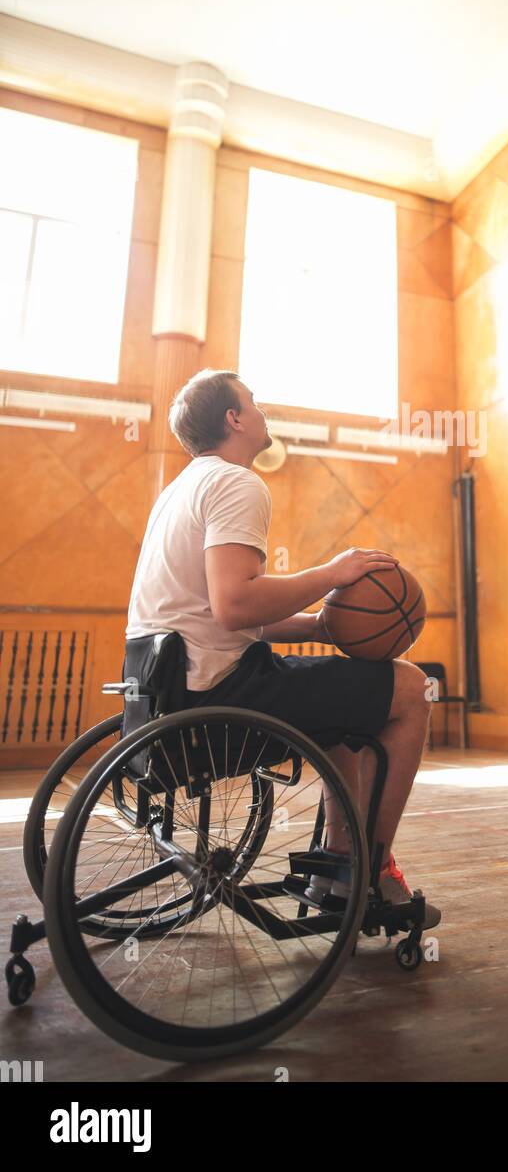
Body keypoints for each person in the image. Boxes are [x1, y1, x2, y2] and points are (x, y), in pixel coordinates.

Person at [125, 366, 439, 925]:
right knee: (411, 688)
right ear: (234, 418)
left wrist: (318, 628)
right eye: (253, 402)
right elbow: (235, 604)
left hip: (165, 694)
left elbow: (220, 617)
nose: (262, 410)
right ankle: (372, 869)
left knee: (341, 696)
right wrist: (333, 573)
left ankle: (338, 860)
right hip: (219, 700)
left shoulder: (179, 490)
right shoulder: (236, 483)